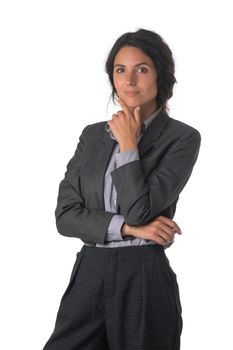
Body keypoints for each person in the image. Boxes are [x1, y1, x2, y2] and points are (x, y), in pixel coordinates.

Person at [42, 28, 201, 350]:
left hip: (143, 275)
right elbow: (66, 217)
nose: (129, 81)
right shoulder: (92, 136)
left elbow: (139, 209)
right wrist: (129, 228)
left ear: (161, 75)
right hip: (90, 268)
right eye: (120, 70)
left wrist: (129, 144)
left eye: (141, 69)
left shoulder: (182, 139)